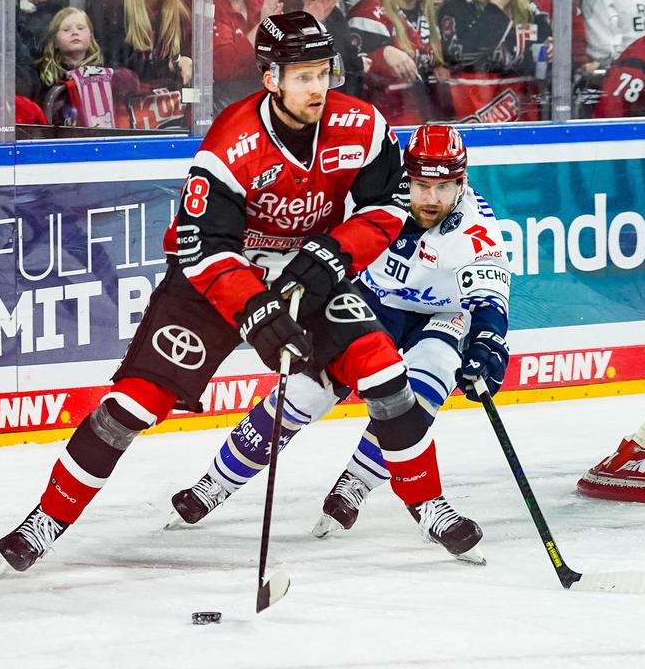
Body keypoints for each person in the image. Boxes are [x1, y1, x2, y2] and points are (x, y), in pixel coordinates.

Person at [0, 11, 480, 572]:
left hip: (302, 266)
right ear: (271, 78)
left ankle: (427, 502)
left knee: (382, 370)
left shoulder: (362, 126)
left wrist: (329, 258)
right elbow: (204, 248)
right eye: (301, 75)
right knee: (134, 402)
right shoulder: (231, 140)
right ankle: (47, 519)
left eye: (322, 72)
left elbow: (385, 205)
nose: (317, 86)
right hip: (213, 277)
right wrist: (256, 311)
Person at [169, 123, 508, 563]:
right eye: (422, 185)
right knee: (305, 394)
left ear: (462, 181)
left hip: (441, 313)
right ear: (407, 176)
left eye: (444, 187)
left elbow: (490, 302)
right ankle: (215, 483)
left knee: (425, 384)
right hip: (370, 299)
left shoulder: (475, 230)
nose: (431, 199)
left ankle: (361, 484)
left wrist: (486, 348)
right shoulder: (373, 194)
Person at [438, 0, 551, 123]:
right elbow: (462, 57)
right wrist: (496, 6)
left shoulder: (527, 7)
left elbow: (546, 48)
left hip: (523, 117)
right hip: (472, 118)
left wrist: (551, 50)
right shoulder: (456, 7)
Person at [348, 0, 448, 125]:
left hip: (426, 122)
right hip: (382, 126)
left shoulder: (429, 14)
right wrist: (382, 55)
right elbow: (350, 69)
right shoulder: (368, 13)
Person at [33, 6, 140, 127]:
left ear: (91, 36)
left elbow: (132, 85)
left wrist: (117, 77)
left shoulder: (106, 66)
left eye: (80, 28)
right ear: (55, 41)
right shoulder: (44, 73)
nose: (74, 32)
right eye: (66, 30)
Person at [283, 0, 366, 99]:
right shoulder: (283, 11)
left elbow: (348, 57)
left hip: (339, 97)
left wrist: (360, 62)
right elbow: (287, 65)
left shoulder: (335, 13)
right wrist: (308, 24)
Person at [213, 0, 281, 111]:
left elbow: (283, 59)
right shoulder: (204, 4)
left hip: (264, 104)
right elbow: (222, 67)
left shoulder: (262, 0)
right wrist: (264, 28)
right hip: (221, 113)